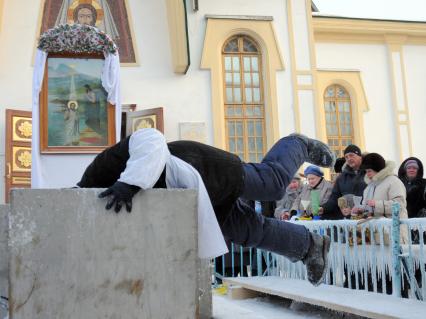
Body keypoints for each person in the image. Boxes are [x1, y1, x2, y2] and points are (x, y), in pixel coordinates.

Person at [77, 128, 335, 286]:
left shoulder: (99, 171)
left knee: (272, 185)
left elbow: (151, 137)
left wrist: (129, 183)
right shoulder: (99, 211)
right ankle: (309, 246)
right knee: (246, 231)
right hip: (194, 198)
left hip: (202, 167)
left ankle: (297, 144)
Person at [320, 144, 367, 220]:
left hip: (366, 217)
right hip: (348, 219)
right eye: (346, 157)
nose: (349, 159)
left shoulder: (369, 173)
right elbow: (334, 197)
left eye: (352, 155)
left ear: (360, 156)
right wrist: (323, 208)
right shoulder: (342, 178)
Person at [398, 157, 426, 244]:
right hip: (402, 221)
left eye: (414, 168)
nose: (411, 170)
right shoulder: (398, 183)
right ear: (405, 170)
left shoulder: (424, 183)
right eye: (409, 168)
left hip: (420, 223)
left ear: (418, 170)